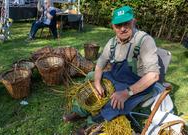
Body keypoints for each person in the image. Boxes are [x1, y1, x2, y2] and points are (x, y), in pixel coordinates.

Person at [63, 5, 161, 133]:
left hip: (135, 84)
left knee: (115, 101)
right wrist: (97, 83)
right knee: (90, 77)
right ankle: (80, 111)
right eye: (118, 25)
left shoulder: (144, 41)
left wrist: (127, 93)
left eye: (126, 23)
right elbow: (99, 65)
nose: (123, 29)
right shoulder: (112, 42)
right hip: (115, 77)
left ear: (133, 21)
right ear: (113, 26)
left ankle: (92, 124)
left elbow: (153, 76)